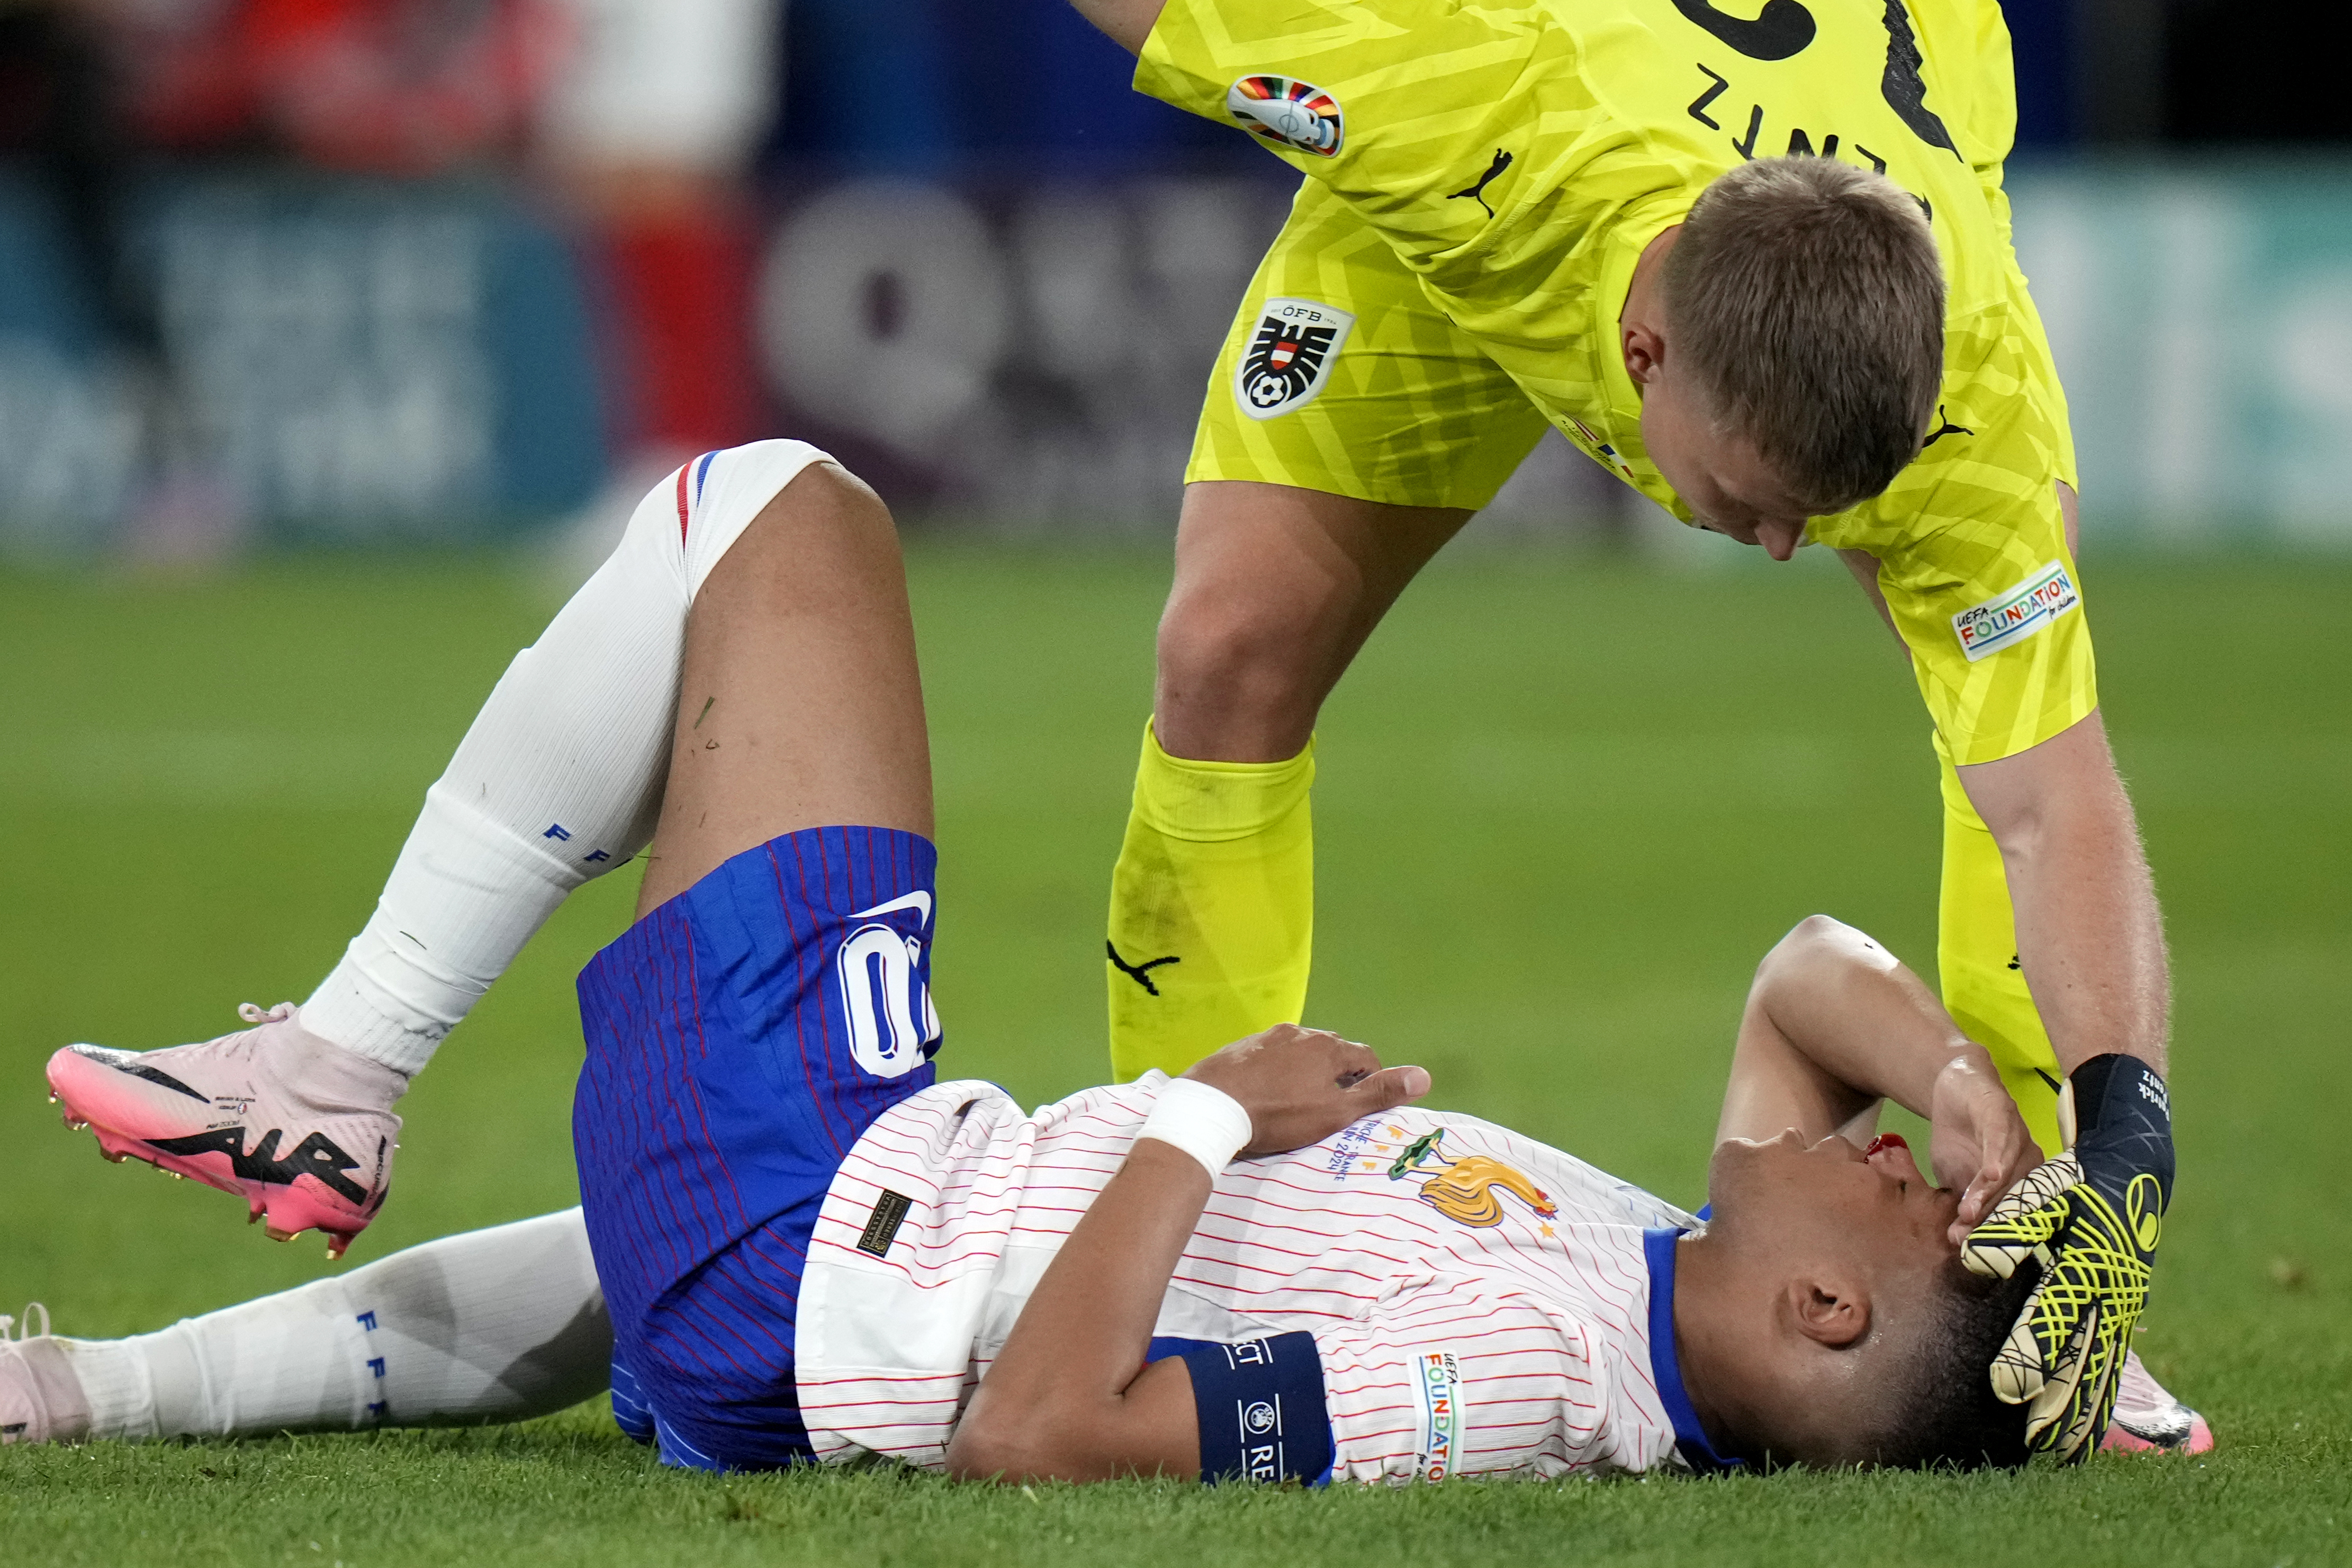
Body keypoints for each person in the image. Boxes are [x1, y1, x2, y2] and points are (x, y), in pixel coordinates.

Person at [16, 448, 2156, 1474]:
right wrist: (1982, 1089)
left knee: (771, 517)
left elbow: (1041, 1433)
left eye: (1906, 1199)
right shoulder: (1660, 1268)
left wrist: (1208, 1108)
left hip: (804, 1251)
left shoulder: (1507, 1380)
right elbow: (1805, 974)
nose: (1898, 1148)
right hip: (836, 1238)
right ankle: (74, 1392)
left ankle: (342, 1062)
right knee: (622, 1255)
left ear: (1820, 1311)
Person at [1058, 0, 2178, 1461]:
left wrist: (2125, 1147)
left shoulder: (1968, 394)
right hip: (1475, 240)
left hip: (1832, 151)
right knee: (1222, 653)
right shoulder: (1460, 94)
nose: (1785, 547)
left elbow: (2054, 802)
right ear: (1642, 354)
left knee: (2004, 726)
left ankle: (2031, 1315)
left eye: (1830, 509)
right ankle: (1207, 1232)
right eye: (1756, 501)